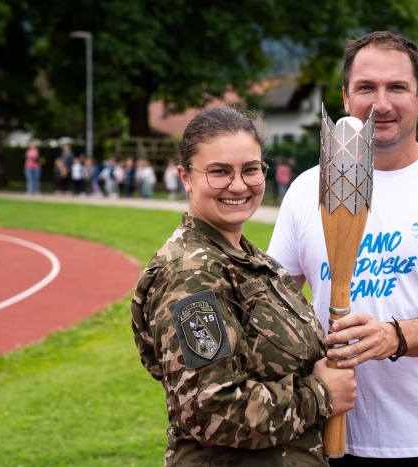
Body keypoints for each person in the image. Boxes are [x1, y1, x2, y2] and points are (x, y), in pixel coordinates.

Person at [267, 31, 418, 466]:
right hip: (322, 437)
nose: (381, 103)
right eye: (366, 87)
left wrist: (394, 336)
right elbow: (272, 304)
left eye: (397, 87)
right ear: (345, 97)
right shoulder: (306, 189)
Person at [130, 106, 357, 466]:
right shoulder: (190, 275)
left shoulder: (250, 259)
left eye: (250, 169)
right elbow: (213, 411)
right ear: (186, 178)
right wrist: (321, 394)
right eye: (219, 172)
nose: (238, 185)